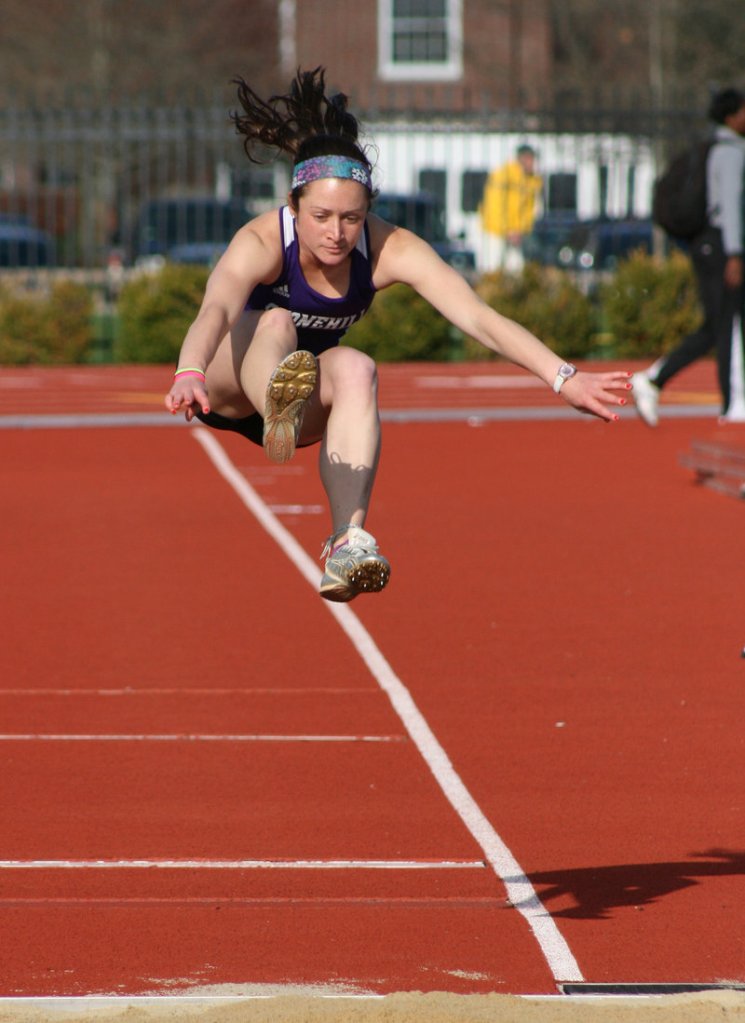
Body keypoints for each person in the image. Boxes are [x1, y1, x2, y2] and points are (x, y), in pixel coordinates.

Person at [165, 68, 631, 603]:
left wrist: (562, 377)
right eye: (320, 216)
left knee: (359, 369)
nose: (336, 233)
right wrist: (189, 369)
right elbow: (216, 308)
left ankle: (348, 543)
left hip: (305, 400)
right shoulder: (261, 240)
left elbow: (478, 317)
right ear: (294, 207)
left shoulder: (391, 248)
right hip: (233, 379)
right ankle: (277, 401)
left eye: (351, 218)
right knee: (274, 320)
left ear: (368, 213)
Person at [633, 87, 745, 426]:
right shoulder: (729, 153)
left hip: (713, 245)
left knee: (716, 326)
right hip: (721, 246)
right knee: (728, 325)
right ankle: (733, 403)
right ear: (730, 117)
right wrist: (735, 253)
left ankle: (655, 379)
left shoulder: (719, 149)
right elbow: (729, 207)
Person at [479, 144, 542, 273]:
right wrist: (507, 229)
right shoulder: (503, 175)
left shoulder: (531, 180)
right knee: (493, 268)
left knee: (516, 270)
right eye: (531, 159)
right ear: (522, 158)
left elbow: (528, 211)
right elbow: (494, 206)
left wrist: (520, 230)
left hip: (516, 234)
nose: (533, 163)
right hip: (495, 231)